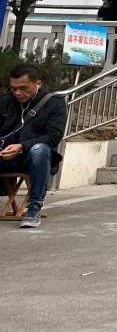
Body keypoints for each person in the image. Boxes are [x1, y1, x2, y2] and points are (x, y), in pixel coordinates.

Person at [0, 63, 67, 228]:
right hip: (4, 156)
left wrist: (22, 146)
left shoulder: (55, 103)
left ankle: (33, 208)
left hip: (34, 159)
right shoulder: (5, 101)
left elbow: (53, 136)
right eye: (13, 88)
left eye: (23, 88)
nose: (18, 93)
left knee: (39, 149)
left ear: (38, 83)